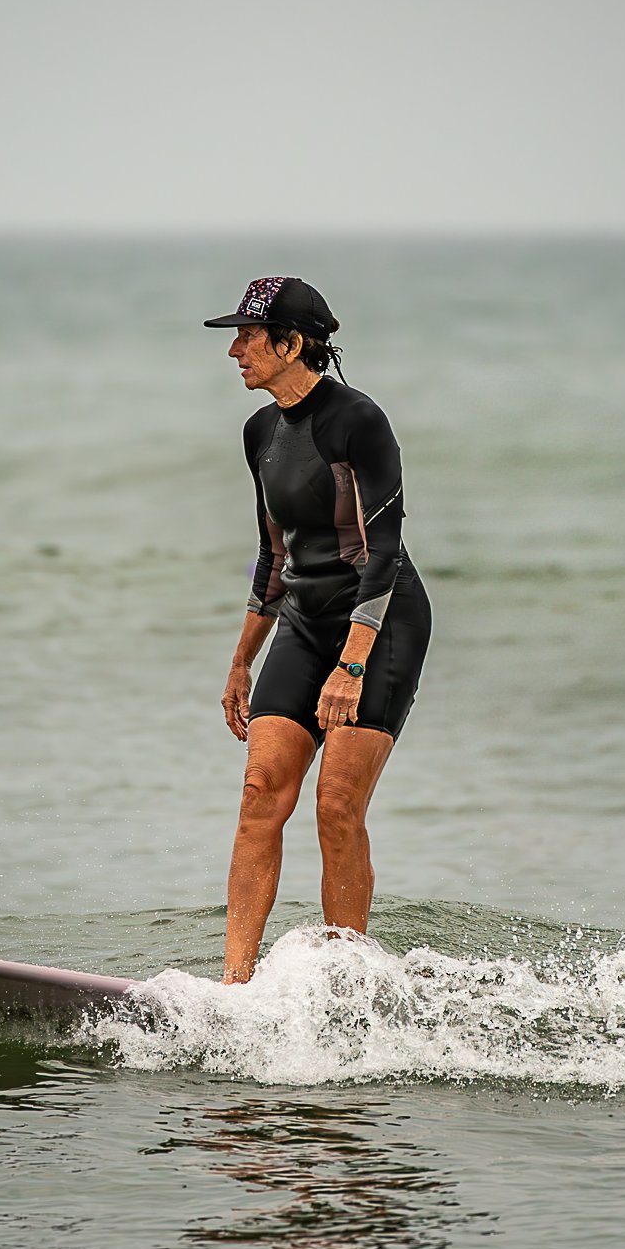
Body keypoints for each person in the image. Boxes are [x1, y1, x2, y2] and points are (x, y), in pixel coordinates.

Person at [205, 276, 432, 983]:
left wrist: (353, 664)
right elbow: (274, 556)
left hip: (381, 622)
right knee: (260, 794)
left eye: (248, 335)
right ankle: (234, 990)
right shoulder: (259, 432)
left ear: (291, 344)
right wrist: (242, 659)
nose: (235, 350)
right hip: (303, 624)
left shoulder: (357, 421)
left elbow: (384, 550)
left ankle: (345, 983)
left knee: (336, 803)